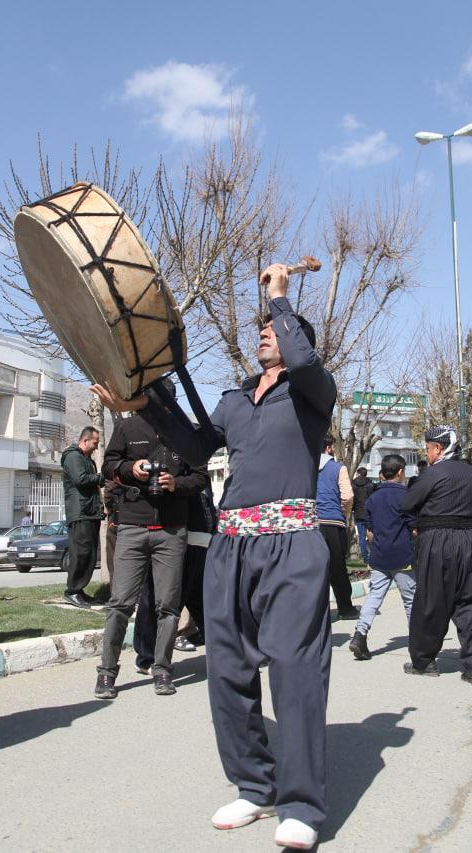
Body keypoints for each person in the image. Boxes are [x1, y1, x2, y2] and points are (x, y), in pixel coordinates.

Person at [91, 263, 333, 849]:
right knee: (227, 670)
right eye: (265, 326)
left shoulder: (312, 393)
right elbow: (198, 444)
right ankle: (255, 786)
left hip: (292, 543)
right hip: (231, 545)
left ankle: (300, 804)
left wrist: (280, 296)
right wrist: (139, 404)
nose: (265, 332)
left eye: (276, 327)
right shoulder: (234, 400)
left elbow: (301, 360)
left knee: (296, 670)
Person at [96, 386, 207, 698]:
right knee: (120, 603)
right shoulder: (127, 428)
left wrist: (176, 483)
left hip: (172, 531)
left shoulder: (187, 433)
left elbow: (199, 478)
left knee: (168, 606)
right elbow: (109, 466)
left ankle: (162, 669)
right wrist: (131, 469)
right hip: (132, 526)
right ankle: (107, 672)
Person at [399, 426, 472, 685]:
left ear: (438, 448)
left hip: (438, 541)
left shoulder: (433, 473)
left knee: (431, 600)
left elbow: (407, 504)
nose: (427, 453)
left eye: (428, 448)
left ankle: (424, 661)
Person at [133, 485, 216, 673]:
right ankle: (148, 657)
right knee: (160, 598)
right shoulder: (172, 459)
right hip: (174, 536)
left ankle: (224, 653)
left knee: (206, 601)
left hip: (202, 538)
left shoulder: (198, 464)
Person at [348, 453, 415, 661]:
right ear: (401, 472)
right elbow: (414, 528)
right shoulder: (406, 496)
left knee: (375, 596)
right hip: (403, 557)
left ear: (383, 474)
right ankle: (417, 641)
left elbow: (369, 530)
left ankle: (360, 634)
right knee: (411, 599)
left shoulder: (373, 498)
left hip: (379, 556)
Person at [61, 427, 104, 608]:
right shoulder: (73, 457)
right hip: (80, 513)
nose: (96, 447)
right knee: (81, 552)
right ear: (84, 441)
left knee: (90, 554)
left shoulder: (86, 459)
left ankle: (79, 590)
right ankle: (72, 591)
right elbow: (81, 479)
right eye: (94, 443)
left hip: (90, 511)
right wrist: (102, 478)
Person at [317, 435, 357, 620]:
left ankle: (318, 611)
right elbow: (348, 496)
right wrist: (344, 514)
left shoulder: (305, 468)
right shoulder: (338, 468)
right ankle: (345, 608)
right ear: (329, 448)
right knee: (337, 568)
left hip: (311, 524)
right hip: (333, 522)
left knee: (314, 569)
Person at [351, 466, 374, 562]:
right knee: (372, 535)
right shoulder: (370, 484)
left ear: (358, 473)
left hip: (358, 513)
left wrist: (352, 509)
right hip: (369, 513)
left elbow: (351, 498)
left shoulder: (353, 484)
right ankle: (373, 555)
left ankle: (365, 557)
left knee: (361, 535)